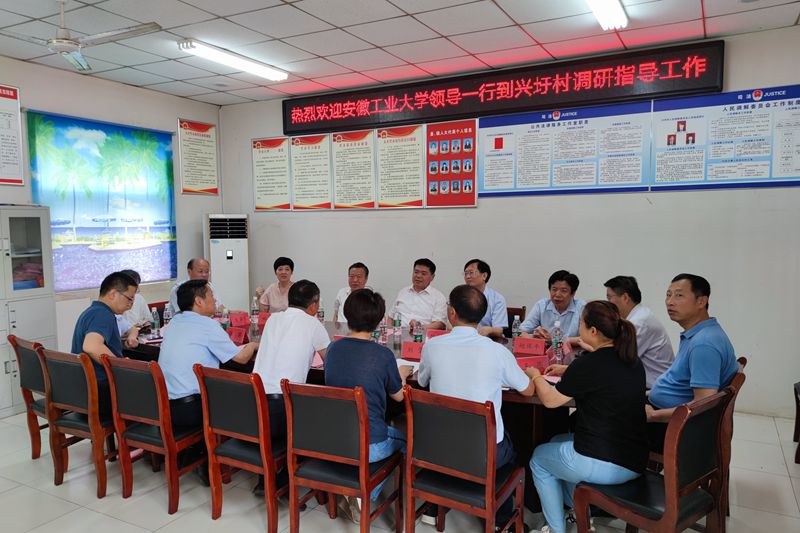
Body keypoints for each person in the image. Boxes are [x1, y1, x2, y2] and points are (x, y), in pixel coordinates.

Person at [418, 285, 537, 530]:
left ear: (451, 313)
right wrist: (533, 374)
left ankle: (434, 505)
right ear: (481, 316)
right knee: (511, 446)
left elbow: (421, 381)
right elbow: (528, 390)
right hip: (483, 453)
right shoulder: (497, 351)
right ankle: (501, 521)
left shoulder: (432, 346)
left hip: (436, 448)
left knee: (455, 437)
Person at [529, 301, 648, 533]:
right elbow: (602, 374)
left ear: (593, 331)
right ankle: (578, 515)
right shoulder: (632, 361)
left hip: (603, 463)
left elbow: (550, 401)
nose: (579, 328)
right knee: (556, 441)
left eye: (581, 323)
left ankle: (555, 529)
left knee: (539, 460)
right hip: (634, 459)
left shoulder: (588, 364)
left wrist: (535, 376)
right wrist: (569, 370)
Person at [325, 288, 413, 521]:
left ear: (347, 314)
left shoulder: (333, 349)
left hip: (333, 440)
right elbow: (399, 397)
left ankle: (351, 488)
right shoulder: (382, 355)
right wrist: (402, 375)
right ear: (379, 321)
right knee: (407, 440)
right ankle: (365, 494)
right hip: (368, 446)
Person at [251, 279, 330, 495]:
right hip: (283, 409)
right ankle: (287, 482)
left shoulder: (273, 319)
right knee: (320, 411)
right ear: (313, 305)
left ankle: (265, 480)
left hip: (255, 402)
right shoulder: (313, 324)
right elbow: (330, 362)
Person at [645, 274, 738, 451]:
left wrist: (653, 416)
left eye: (679, 295)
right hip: (664, 411)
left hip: (674, 428)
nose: (670, 302)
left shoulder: (704, 344)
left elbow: (703, 404)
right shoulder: (699, 333)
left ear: (701, 301)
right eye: (668, 295)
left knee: (602, 418)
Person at [158, 280, 258, 427]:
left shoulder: (173, 322)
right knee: (247, 395)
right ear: (199, 301)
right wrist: (253, 345)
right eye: (211, 295)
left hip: (165, 407)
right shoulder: (207, 324)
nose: (215, 299)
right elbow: (242, 358)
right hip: (191, 409)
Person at [71, 271, 139, 416]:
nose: (131, 305)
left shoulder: (91, 311)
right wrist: (119, 365)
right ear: (113, 294)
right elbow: (91, 346)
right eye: (129, 299)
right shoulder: (103, 315)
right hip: (100, 393)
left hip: (83, 392)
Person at [604, 275, 674, 388]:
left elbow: (620, 359)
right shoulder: (637, 316)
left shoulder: (639, 322)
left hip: (655, 389)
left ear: (625, 297)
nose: (608, 304)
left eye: (609, 298)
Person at [520, 270, 585, 343]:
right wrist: (534, 337)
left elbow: (588, 339)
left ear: (573, 293)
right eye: (554, 289)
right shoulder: (541, 305)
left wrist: (555, 340)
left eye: (563, 291)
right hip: (545, 348)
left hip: (573, 350)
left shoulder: (582, 308)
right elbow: (520, 332)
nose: (557, 294)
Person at [390, 258, 447, 330]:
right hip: (398, 333)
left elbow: (440, 323)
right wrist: (390, 332)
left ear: (432, 277)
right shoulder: (403, 292)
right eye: (416, 272)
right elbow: (390, 317)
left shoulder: (438, 297)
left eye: (423, 274)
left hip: (422, 334)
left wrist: (418, 328)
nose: (418, 276)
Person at [463, 259, 507, 336]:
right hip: (465, 337)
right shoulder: (460, 295)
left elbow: (499, 330)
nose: (467, 276)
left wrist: (489, 330)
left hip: (487, 339)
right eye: (466, 274)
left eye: (471, 273)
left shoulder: (497, 299)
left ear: (484, 276)